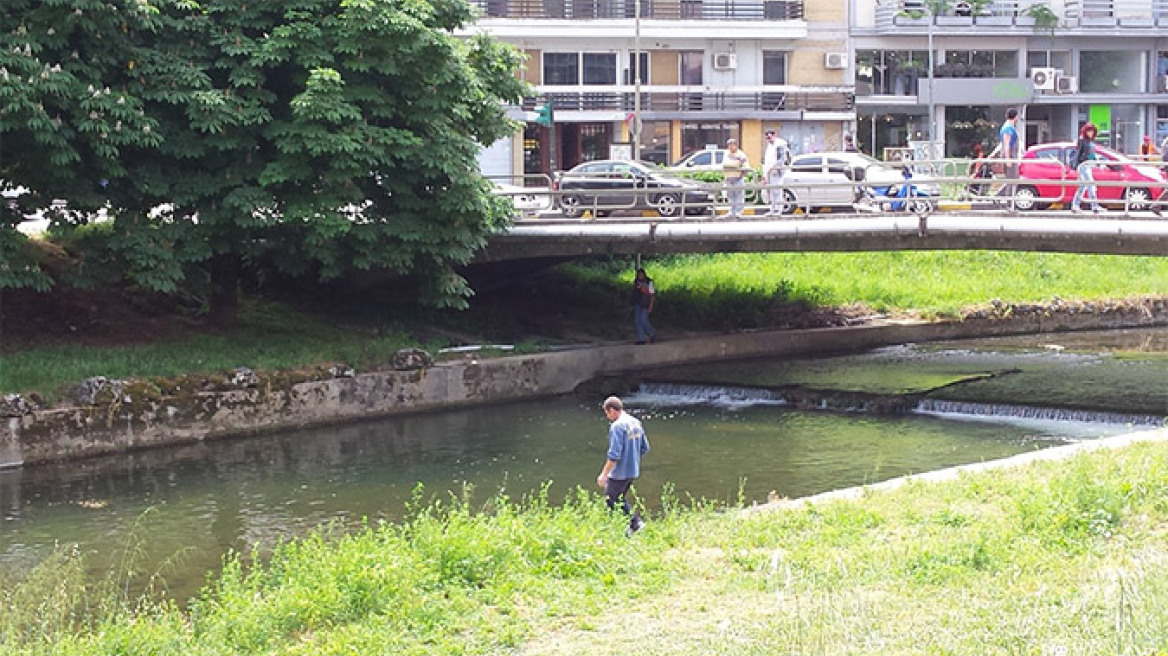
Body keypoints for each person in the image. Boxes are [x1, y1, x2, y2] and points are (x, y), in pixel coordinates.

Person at [596, 395, 650, 535]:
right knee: (618, 498)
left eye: (607, 413)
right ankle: (627, 527)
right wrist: (632, 457)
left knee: (611, 498)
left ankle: (635, 524)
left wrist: (604, 474)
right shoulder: (635, 422)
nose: (607, 417)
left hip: (620, 472)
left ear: (612, 410)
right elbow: (645, 448)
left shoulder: (617, 426)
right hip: (633, 470)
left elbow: (614, 454)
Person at [1071, 121, 1103, 214]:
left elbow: (1090, 154)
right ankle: (1094, 206)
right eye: (1089, 131)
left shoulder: (1089, 141)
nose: (1091, 133)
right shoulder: (1082, 140)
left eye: (1092, 131)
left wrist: (1096, 161)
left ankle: (1075, 205)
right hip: (1083, 165)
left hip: (1087, 165)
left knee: (1083, 186)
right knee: (1090, 185)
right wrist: (1075, 166)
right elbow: (1078, 153)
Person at [762, 128, 789, 216]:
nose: (769, 139)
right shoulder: (769, 146)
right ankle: (773, 209)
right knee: (772, 192)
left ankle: (778, 210)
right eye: (767, 138)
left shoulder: (780, 144)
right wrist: (764, 174)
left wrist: (775, 167)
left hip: (777, 172)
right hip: (769, 172)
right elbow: (767, 161)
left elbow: (781, 159)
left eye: (770, 136)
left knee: (777, 191)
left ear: (774, 135)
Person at [722, 138, 749, 218]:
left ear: (736, 145)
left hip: (738, 178)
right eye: (729, 145)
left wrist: (742, 174)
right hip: (728, 178)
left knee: (739, 196)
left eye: (732, 144)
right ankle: (731, 211)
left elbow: (745, 165)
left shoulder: (741, 154)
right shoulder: (726, 154)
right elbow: (724, 165)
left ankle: (738, 212)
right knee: (730, 196)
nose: (730, 146)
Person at [997, 108, 1020, 202]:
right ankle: (1008, 201)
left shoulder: (1008, 127)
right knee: (1012, 179)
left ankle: (1002, 198)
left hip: (1011, 155)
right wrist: (1008, 159)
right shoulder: (1008, 128)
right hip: (1010, 156)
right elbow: (1006, 144)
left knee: (1012, 179)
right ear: (1015, 117)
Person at [629, 267, 655, 344]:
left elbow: (652, 295)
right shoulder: (636, 282)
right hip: (638, 304)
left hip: (646, 304)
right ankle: (641, 339)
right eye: (638, 274)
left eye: (641, 274)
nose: (640, 276)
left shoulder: (649, 282)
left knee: (644, 320)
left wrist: (651, 306)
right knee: (637, 321)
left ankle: (652, 334)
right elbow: (634, 294)